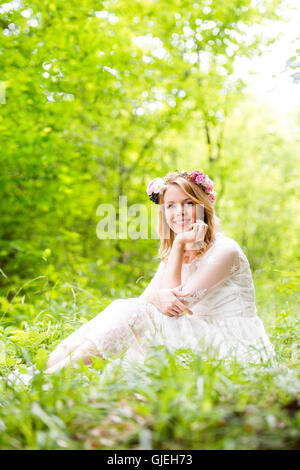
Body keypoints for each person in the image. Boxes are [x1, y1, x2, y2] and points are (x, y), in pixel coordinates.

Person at [45, 170, 275, 374]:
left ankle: (54, 377)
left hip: (231, 342)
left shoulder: (226, 250)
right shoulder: (174, 256)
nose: (179, 212)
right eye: (170, 206)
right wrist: (176, 253)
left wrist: (178, 245)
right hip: (195, 331)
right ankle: (50, 367)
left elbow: (173, 307)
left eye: (188, 203)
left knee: (130, 313)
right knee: (121, 308)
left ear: (203, 207)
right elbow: (148, 301)